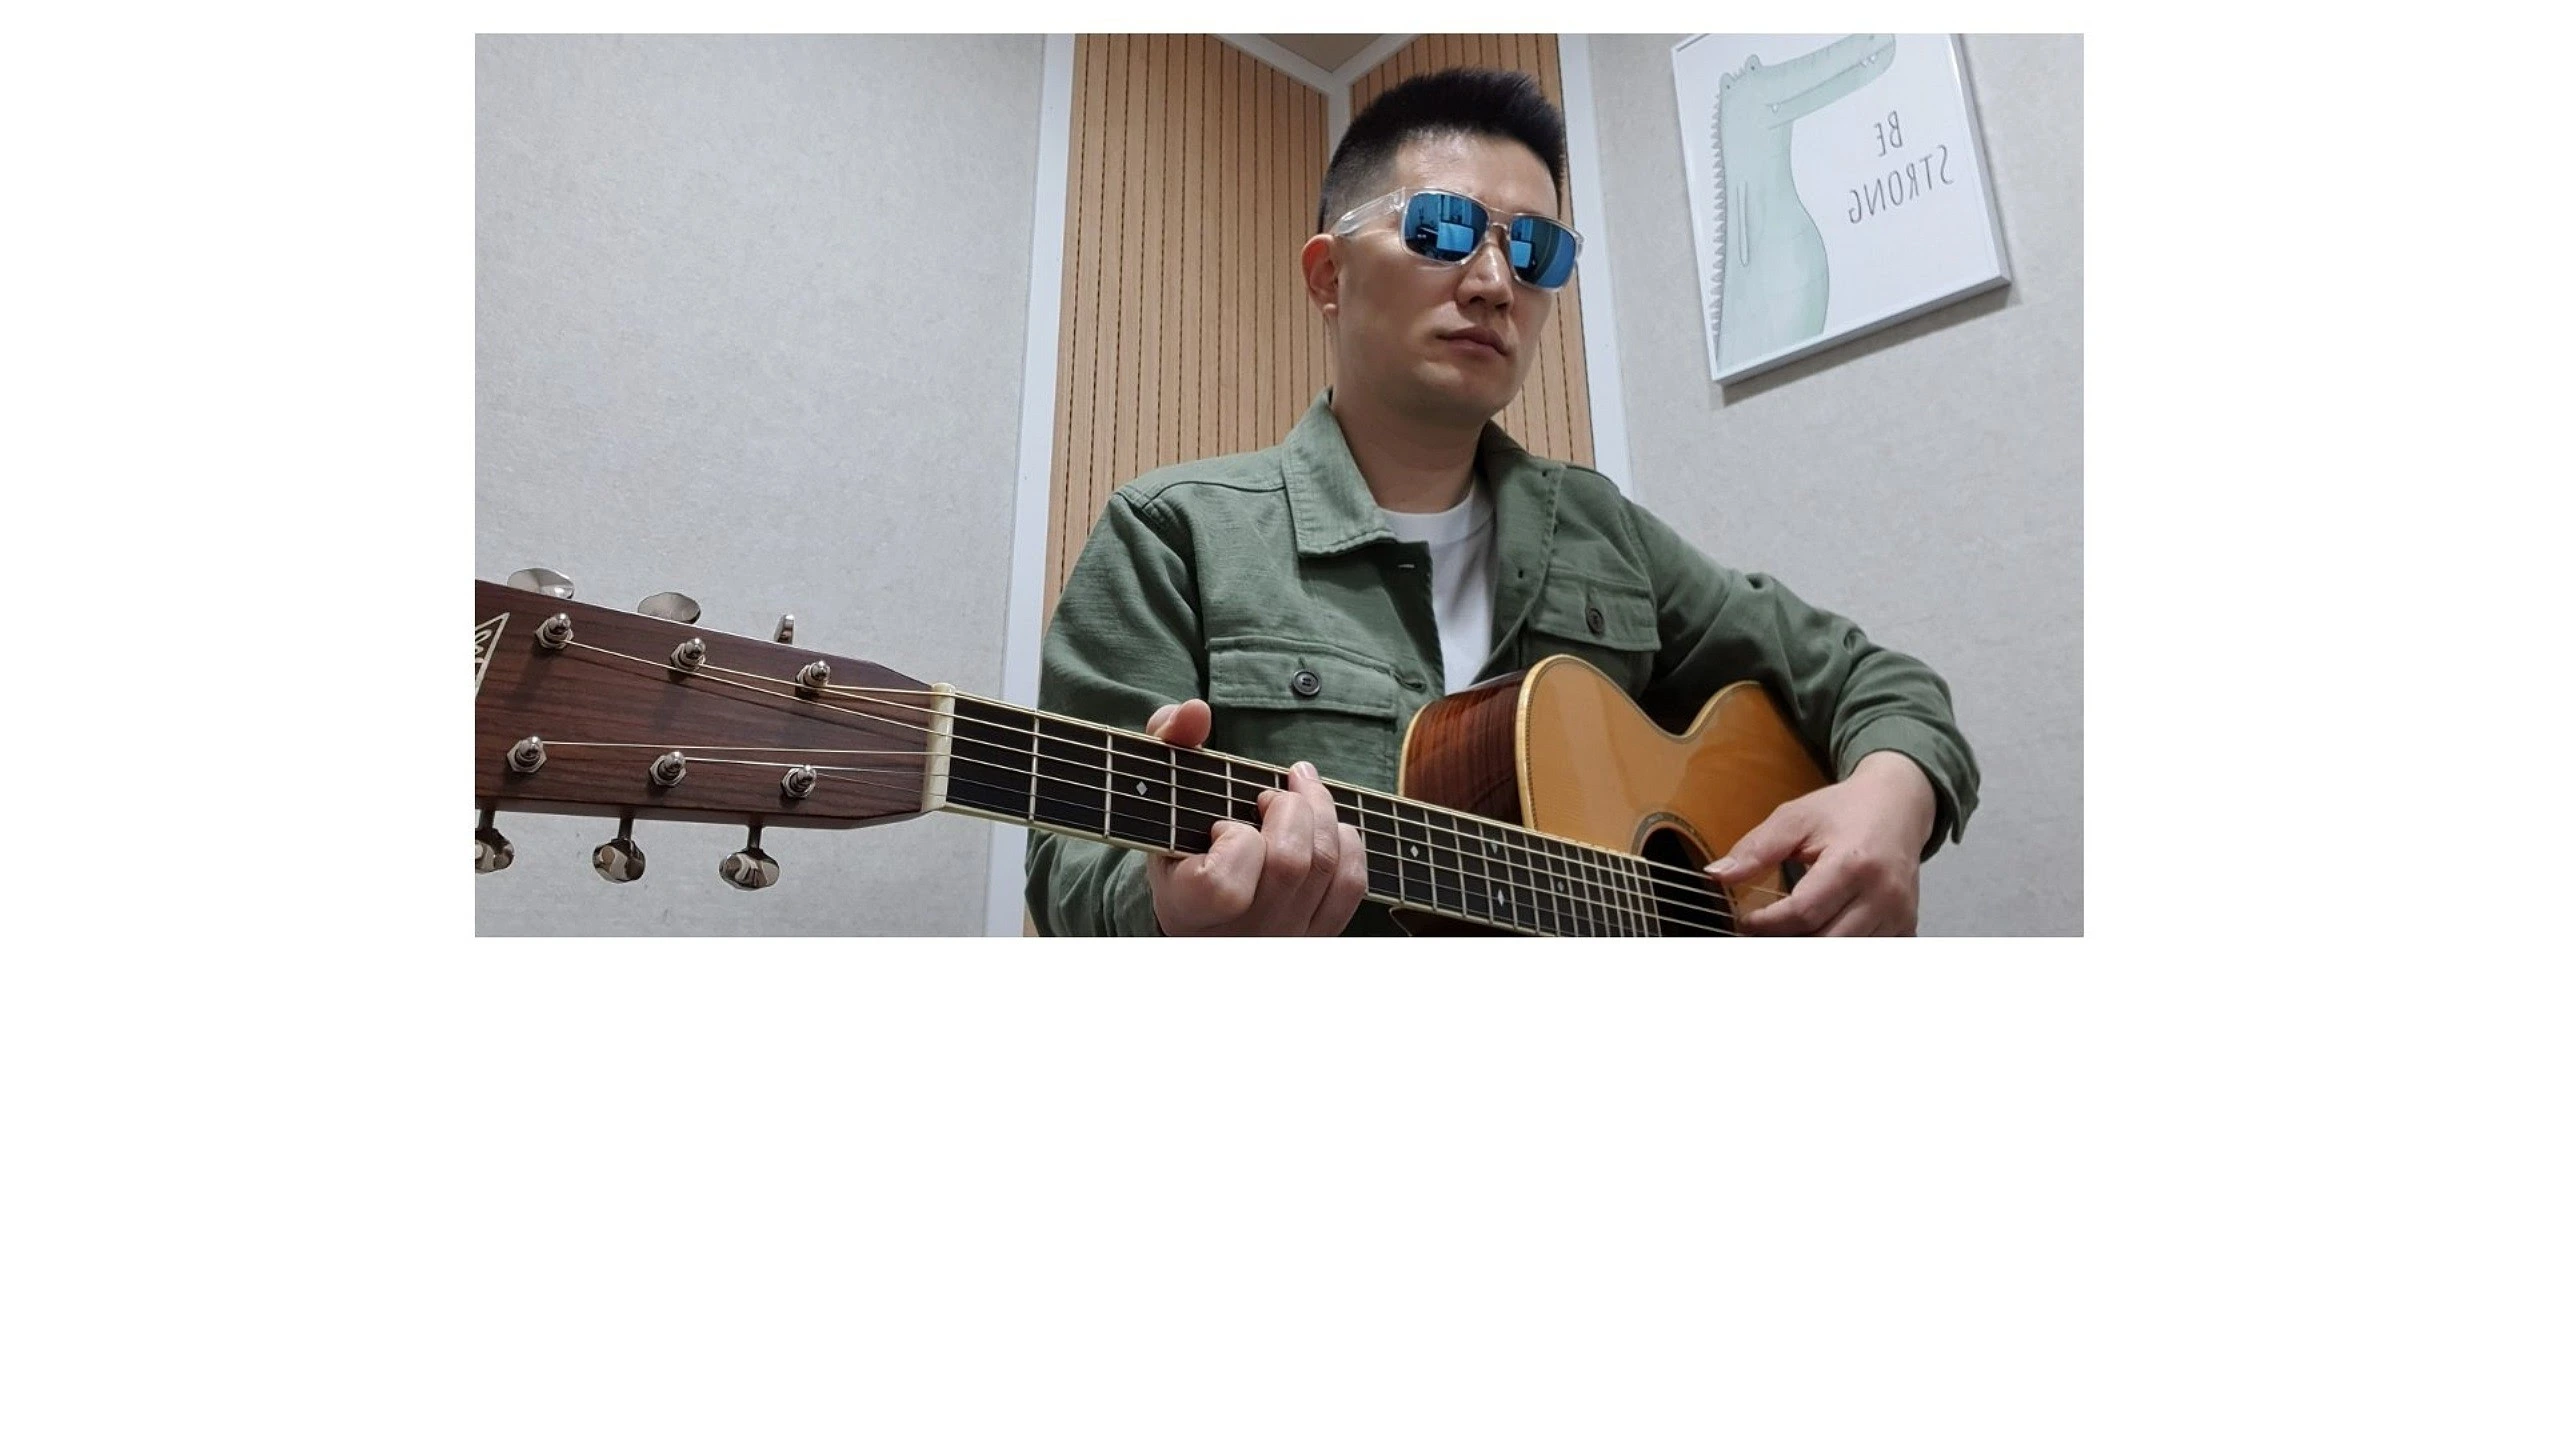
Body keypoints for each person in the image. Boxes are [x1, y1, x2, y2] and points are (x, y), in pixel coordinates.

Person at [1025, 67, 1979, 937]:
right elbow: (1068, 862)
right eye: (1441, 227)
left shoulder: (1604, 533)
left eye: (1536, 251)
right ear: (1328, 275)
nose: (1492, 283)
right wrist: (1168, 910)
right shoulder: (1174, 533)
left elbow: (1873, 681)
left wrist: (1894, 797)